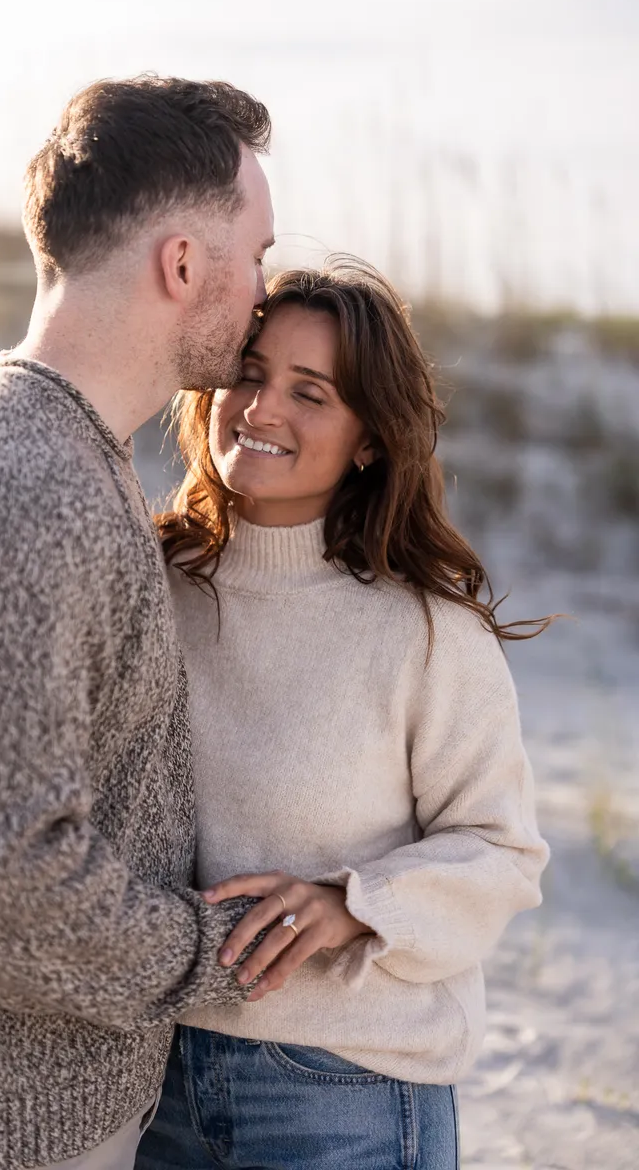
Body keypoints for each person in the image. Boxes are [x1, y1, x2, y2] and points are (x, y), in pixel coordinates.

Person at [0, 76, 276, 1170]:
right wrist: (203, 955)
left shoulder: (59, 453)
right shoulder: (22, 487)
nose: (263, 291)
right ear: (182, 265)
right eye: (256, 255)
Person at [138, 257, 551, 1170]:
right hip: (150, 1082)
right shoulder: (147, 584)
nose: (261, 408)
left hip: (345, 1090)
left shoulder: (423, 629)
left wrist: (354, 905)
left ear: (368, 438)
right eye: (249, 372)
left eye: (310, 392)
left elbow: (502, 851)